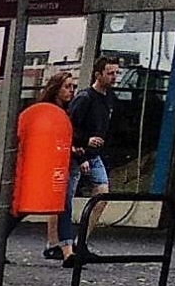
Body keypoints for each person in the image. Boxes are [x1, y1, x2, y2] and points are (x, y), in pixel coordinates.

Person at [14, 70, 77, 264]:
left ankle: (68, 251)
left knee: (63, 205)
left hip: (56, 164)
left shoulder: (64, 112)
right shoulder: (46, 112)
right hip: (44, 165)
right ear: (56, 89)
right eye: (67, 87)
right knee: (27, 207)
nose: (71, 91)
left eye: (73, 87)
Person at [70, 56, 123, 225]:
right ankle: (59, 241)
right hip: (77, 153)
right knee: (64, 200)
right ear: (98, 75)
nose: (114, 77)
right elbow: (69, 128)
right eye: (110, 73)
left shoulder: (110, 97)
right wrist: (82, 150)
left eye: (116, 73)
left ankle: (81, 240)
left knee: (102, 194)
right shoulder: (85, 98)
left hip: (93, 154)